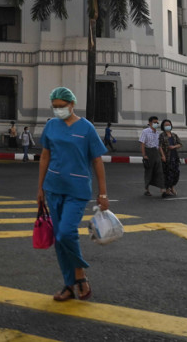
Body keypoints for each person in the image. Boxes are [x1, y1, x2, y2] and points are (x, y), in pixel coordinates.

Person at [36, 87, 108, 302]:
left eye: (62, 106)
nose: (58, 110)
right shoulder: (51, 125)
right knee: (59, 240)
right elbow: (44, 157)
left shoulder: (86, 128)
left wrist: (103, 193)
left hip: (77, 190)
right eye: (55, 107)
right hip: (53, 188)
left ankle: (80, 273)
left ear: (72, 104)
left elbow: (97, 160)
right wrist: (40, 188)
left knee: (66, 233)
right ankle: (69, 285)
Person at [139, 116, 165, 196]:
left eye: (157, 123)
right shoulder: (145, 131)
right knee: (149, 171)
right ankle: (147, 189)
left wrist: (162, 155)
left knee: (160, 171)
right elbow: (142, 143)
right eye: (154, 122)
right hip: (148, 151)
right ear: (150, 123)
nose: (156, 124)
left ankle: (162, 190)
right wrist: (144, 155)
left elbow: (159, 145)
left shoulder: (157, 133)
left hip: (156, 152)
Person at [159, 119, 182, 197]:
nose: (167, 126)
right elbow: (160, 146)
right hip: (167, 157)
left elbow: (180, 144)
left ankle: (172, 187)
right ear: (163, 126)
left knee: (175, 173)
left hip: (174, 156)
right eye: (166, 125)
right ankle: (168, 189)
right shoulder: (162, 135)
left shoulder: (174, 135)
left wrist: (174, 146)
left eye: (169, 124)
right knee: (168, 173)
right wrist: (163, 156)